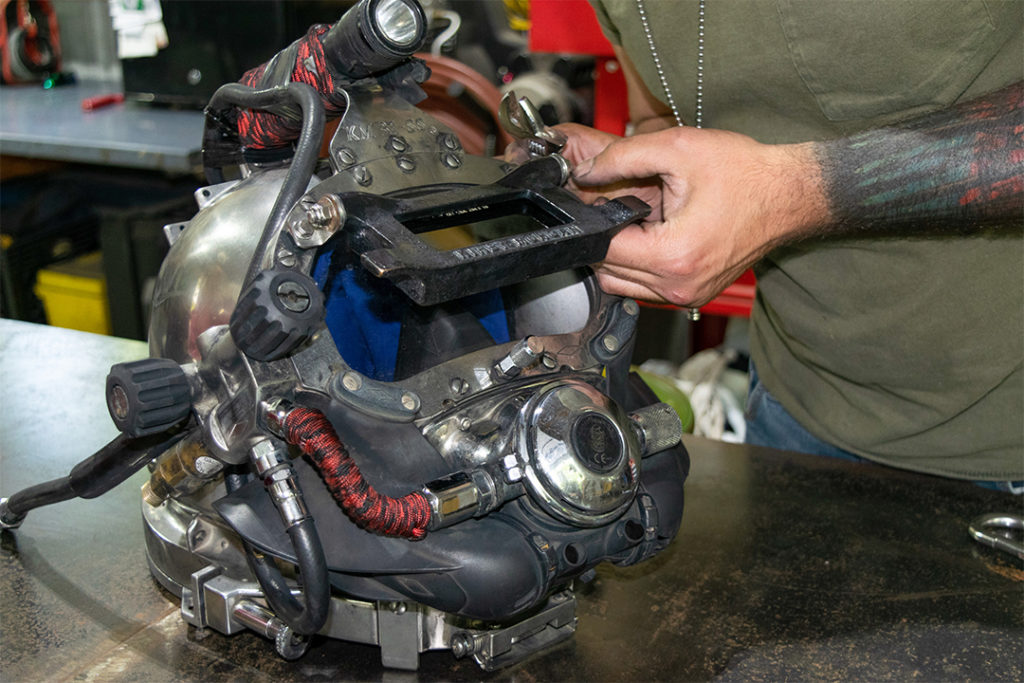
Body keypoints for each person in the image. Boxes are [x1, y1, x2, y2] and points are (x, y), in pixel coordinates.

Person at [555, 0, 1023, 483]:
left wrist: (785, 195)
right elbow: (661, 111)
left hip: (1001, 436)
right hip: (793, 402)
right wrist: (646, 171)